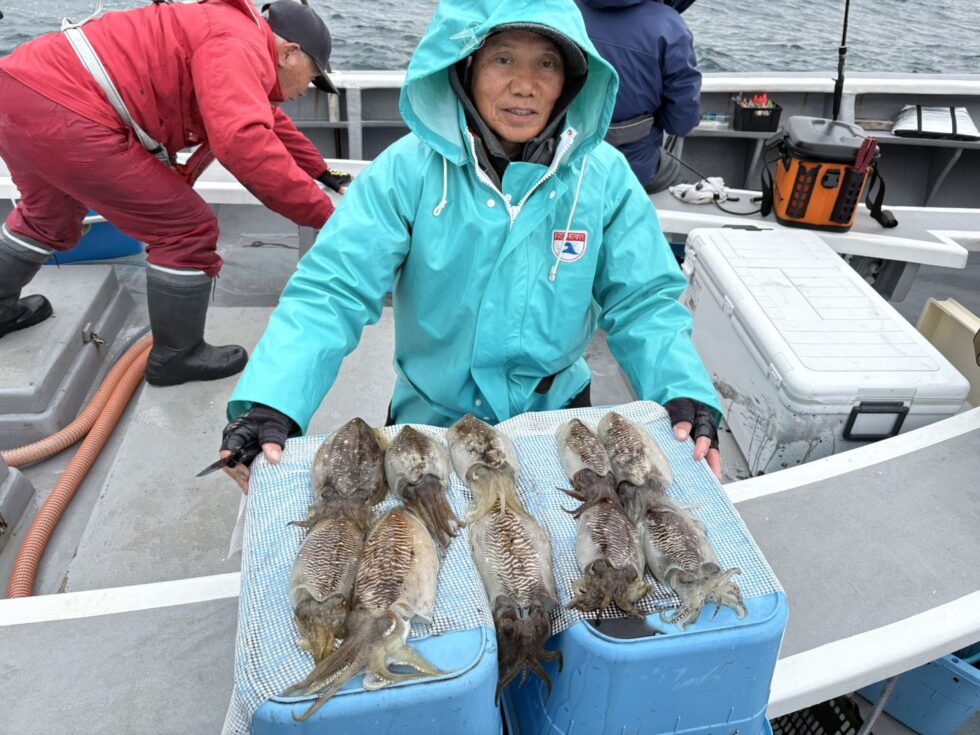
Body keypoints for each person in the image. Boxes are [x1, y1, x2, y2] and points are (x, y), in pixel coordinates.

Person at [218, 0, 723, 492]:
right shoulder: (406, 170)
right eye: (503, 58)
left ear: (571, 80)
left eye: (546, 63)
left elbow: (644, 301)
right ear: (464, 67)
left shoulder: (605, 177)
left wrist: (682, 392)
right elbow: (333, 290)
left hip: (558, 423)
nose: (524, 85)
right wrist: (274, 401)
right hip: (432, 423)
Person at [0, 0, 351, 385]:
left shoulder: (233, 34)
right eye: (313, 76)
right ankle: (178, 356)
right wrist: (329, 217)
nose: (307, 90)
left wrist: (325, 172)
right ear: (288, 53)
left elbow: (272, 121)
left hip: (19, 89)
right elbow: (243, 142)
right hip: (70, 109)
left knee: (45, 216)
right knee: (187, 229)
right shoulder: (237, 42)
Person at [575, 0, 701, 192]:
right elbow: (681, 123)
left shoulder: (564, 10)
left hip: (564, 159)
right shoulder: (670, 25)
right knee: (674, 172)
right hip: (635, 168)